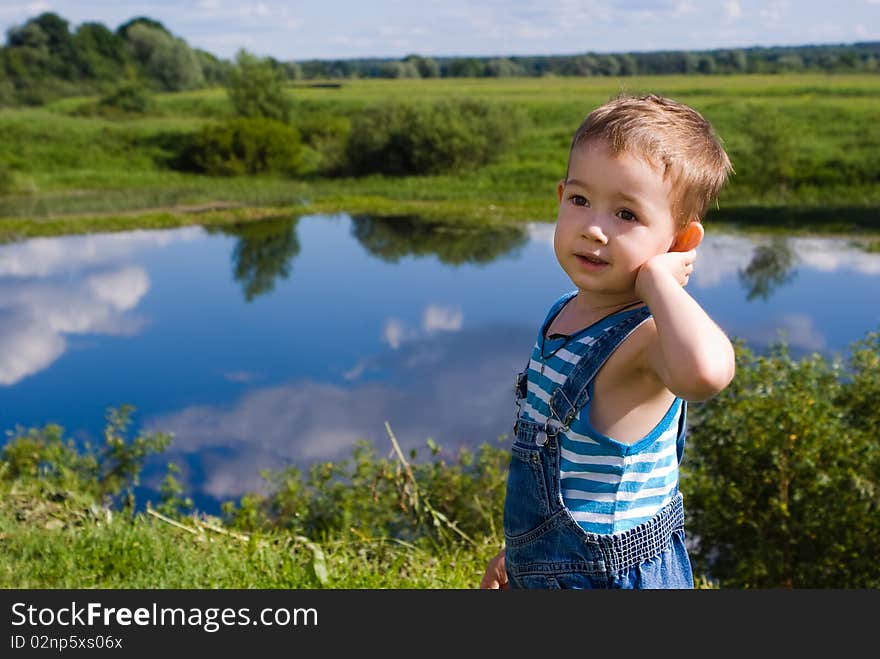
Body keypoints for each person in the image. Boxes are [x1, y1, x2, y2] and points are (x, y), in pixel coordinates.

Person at [480, 93, 736, 589]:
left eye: (626, 215)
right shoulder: (565, 312)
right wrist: (522, 551)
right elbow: (568, 481)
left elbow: (707, 373)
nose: (594, 229)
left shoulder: (644, 336)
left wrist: (659, 282)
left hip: (613, 577)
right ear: (560, 198)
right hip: (554, 562)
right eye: (580, 201)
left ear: (680, 243)